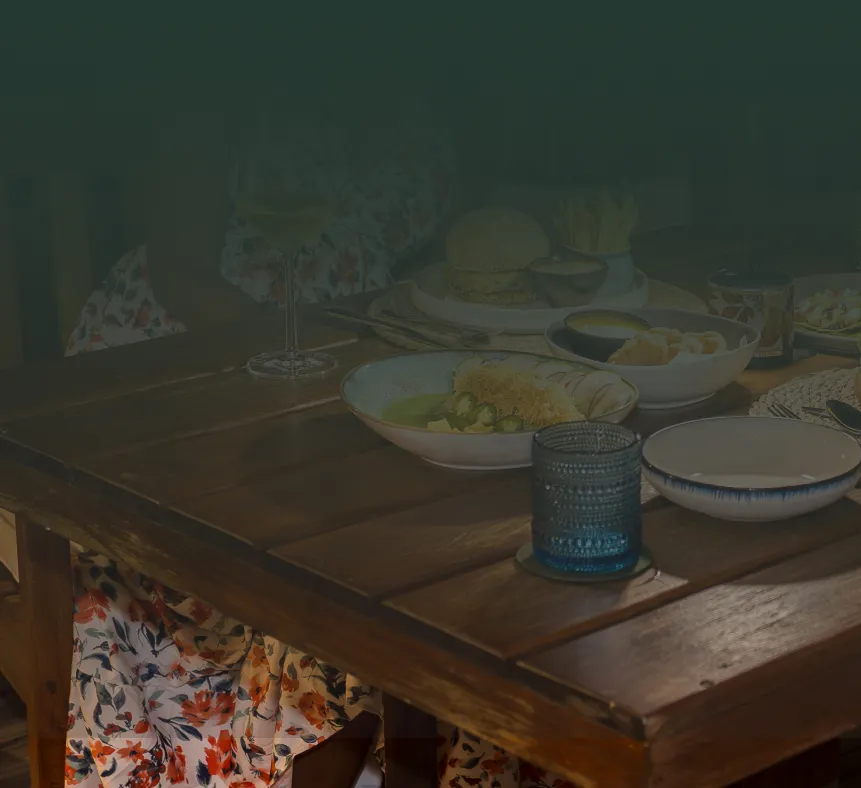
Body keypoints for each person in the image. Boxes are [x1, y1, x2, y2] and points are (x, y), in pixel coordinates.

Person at [0, 104, 571, 788]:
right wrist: (314, 357)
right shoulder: (221, 102)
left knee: (458, 576)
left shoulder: (415, 92)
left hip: (356, 376)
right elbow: (181, 275)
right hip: (202, 368)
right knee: (336, 588)